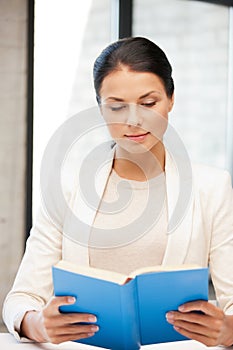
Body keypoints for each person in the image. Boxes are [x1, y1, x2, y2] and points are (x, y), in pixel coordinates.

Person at [2, 37, 233, 347]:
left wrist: (227, 330)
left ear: (171, 99)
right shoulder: (68, 188)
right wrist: (37, 324)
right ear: (100, 108)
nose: (134, 120)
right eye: (116, 106)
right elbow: (21, 298)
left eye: (149, 103)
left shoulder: (212, 187)